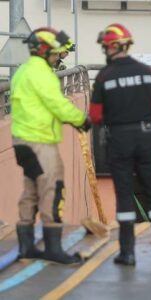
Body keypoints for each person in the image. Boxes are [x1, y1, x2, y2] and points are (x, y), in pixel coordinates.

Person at [90, 23, 151, 265]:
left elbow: (96, 116)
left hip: (119, 140)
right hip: (146, 137)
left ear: (111, 47)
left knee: (125, 197)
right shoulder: (145, 72)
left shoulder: (104, 77)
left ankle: (127, 253)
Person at [11, 27, 90, 264]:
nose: (58, 57)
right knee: (52, 190)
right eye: (55, 53)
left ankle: (26, 247)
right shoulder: (41, 73)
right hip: (40, 142)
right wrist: (81, 120)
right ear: (45, 51)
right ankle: (53, 249)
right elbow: (56, 103)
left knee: (31, 190)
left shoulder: (23, 71)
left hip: (22, 142)